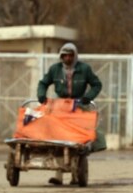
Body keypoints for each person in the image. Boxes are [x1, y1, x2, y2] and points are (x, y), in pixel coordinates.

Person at [37, 42, 103, 186]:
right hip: (60, 107)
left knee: (78, 141)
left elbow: (97, 84)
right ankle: (58, 175)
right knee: (59, 139)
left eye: (70, 55)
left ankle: (76, 174)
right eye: (64, 55)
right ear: (61, 56)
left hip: (78, 107)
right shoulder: (55, 69)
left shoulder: (84, 69)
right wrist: (41, 95)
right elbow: (43, 83)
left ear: (75, 56)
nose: (67, 58)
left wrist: (88, 97)